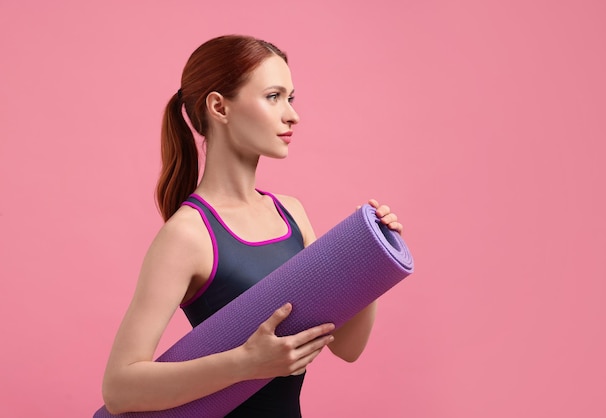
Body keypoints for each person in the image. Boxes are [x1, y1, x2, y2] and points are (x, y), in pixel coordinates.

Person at [101, 34, 403, 417]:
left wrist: (370, 260)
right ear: (219, 107)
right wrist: (246, 364)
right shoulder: (188, 234)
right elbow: (119, 389)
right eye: (273, 96)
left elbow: (347, 348)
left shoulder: (291, 213)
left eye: (290, 99)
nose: (292, 115)